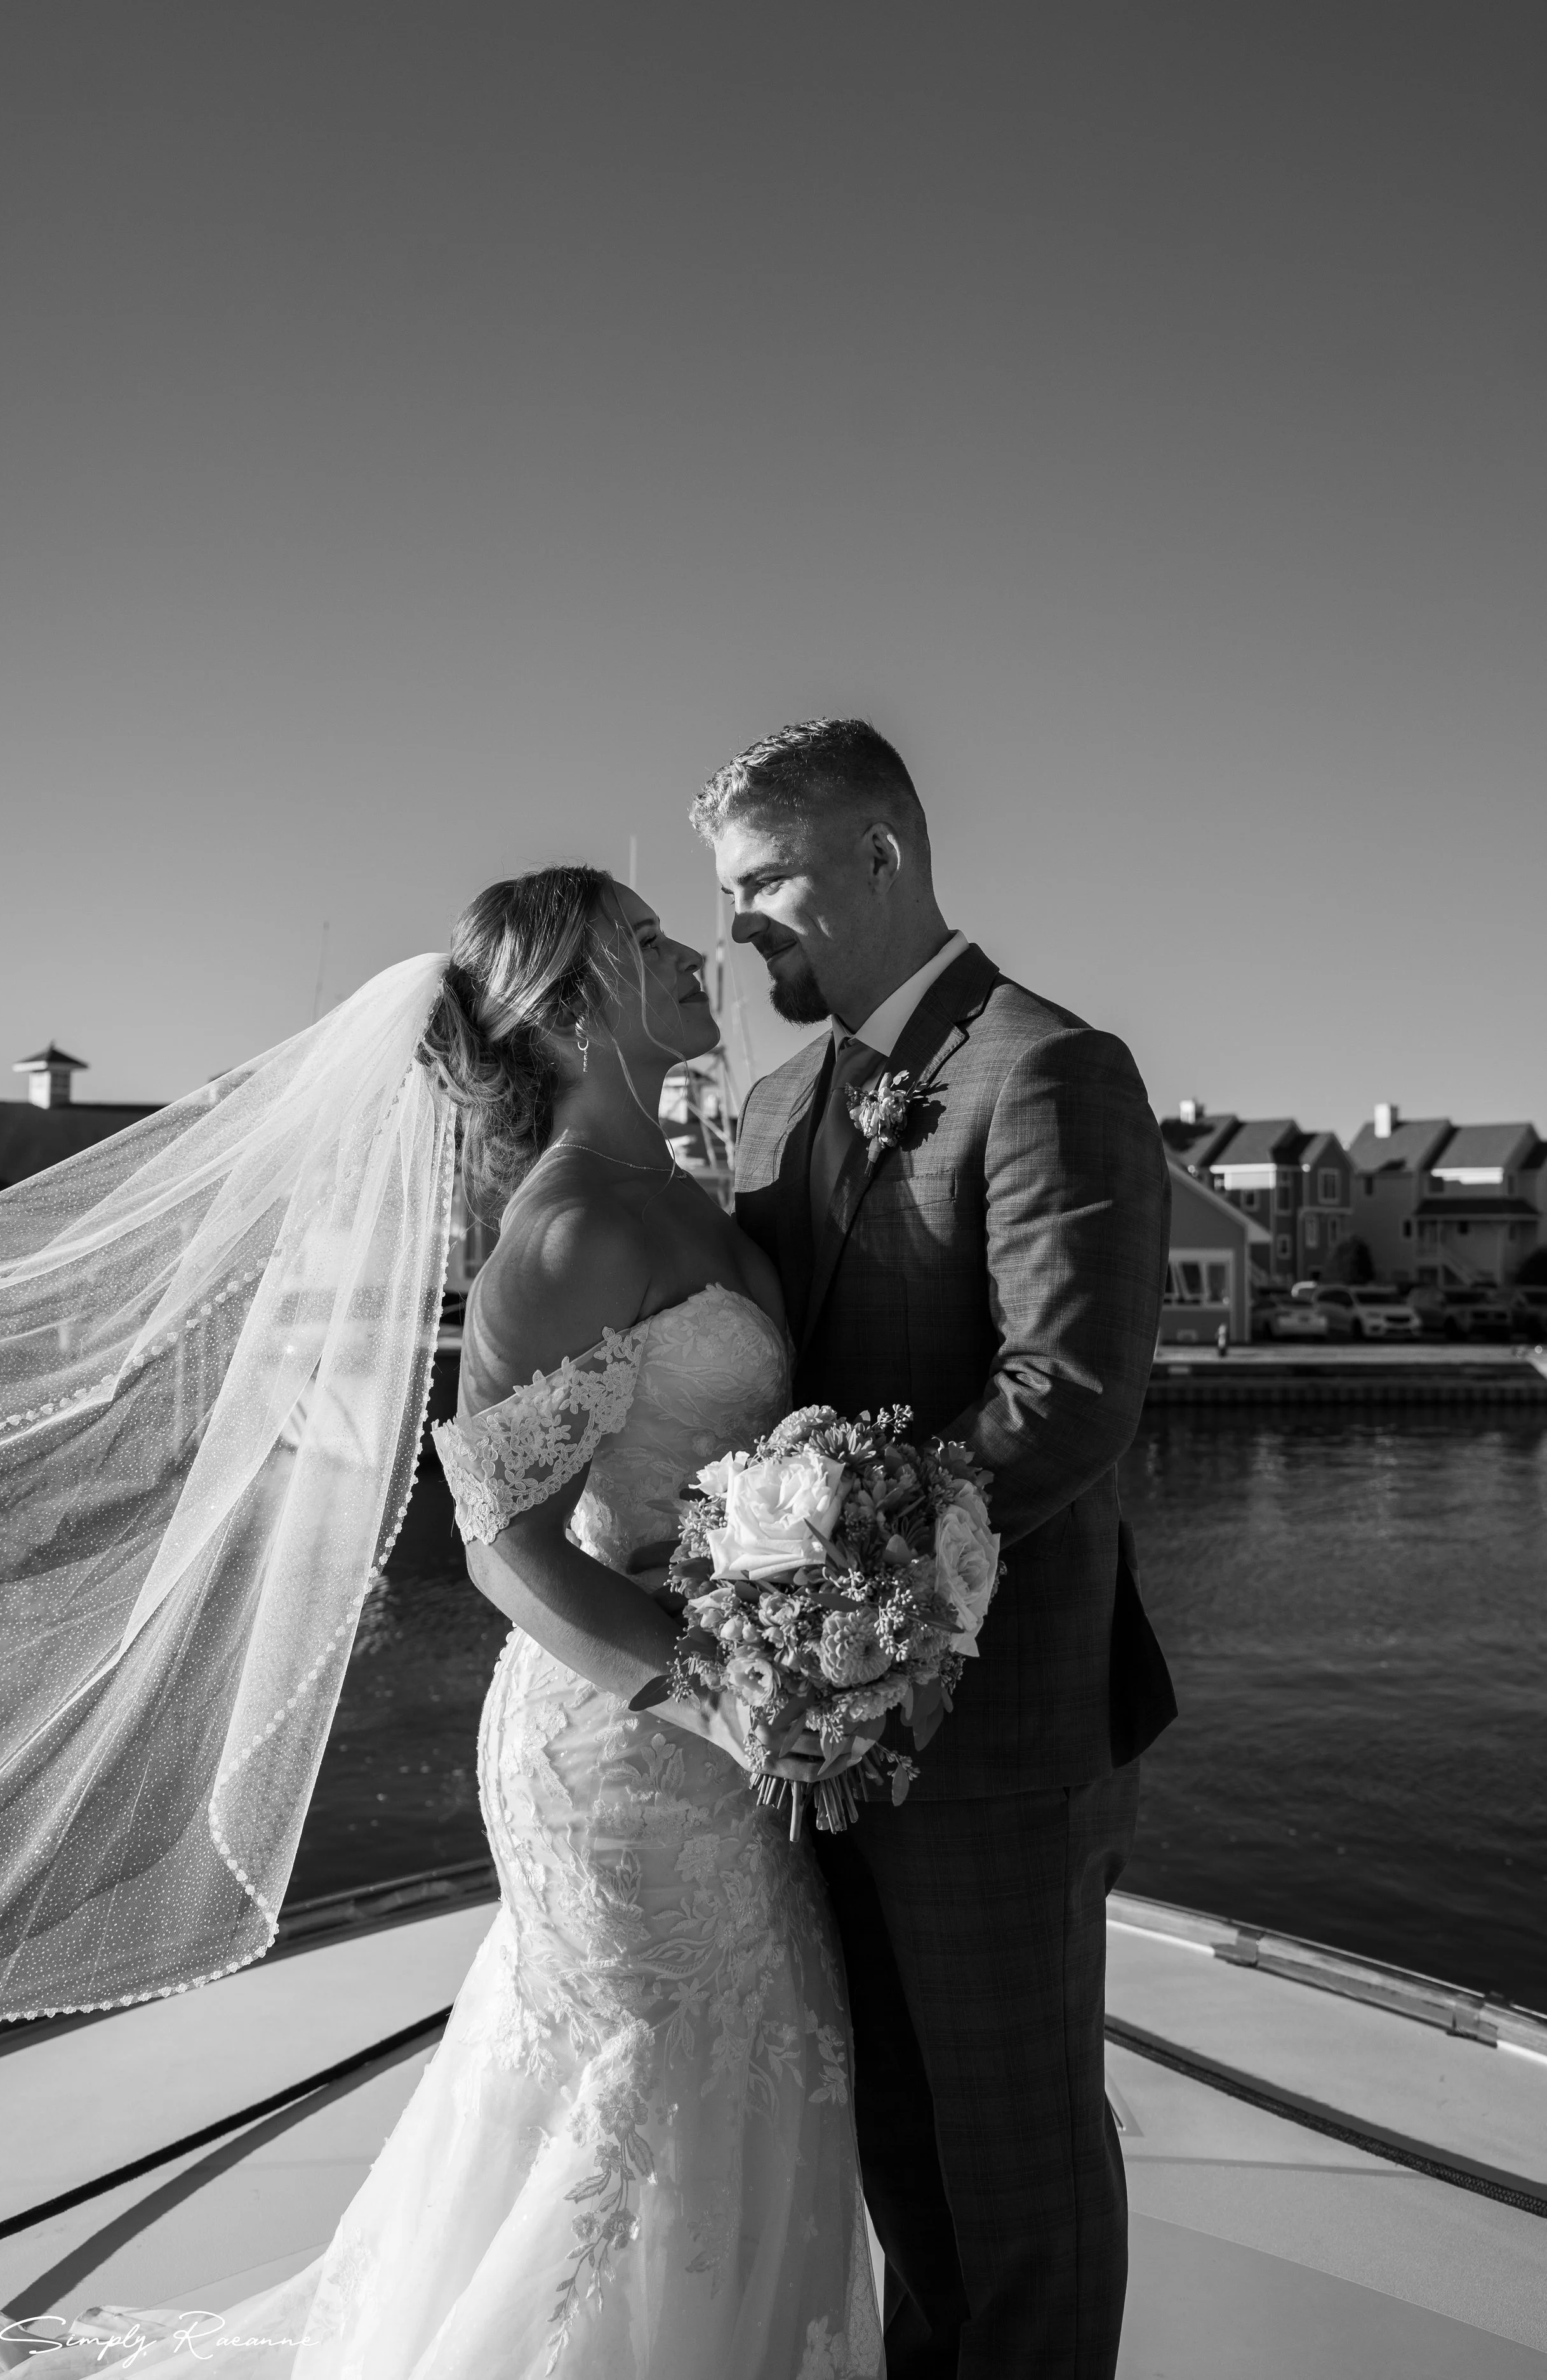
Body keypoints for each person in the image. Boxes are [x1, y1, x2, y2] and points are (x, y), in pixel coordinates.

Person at [0, 866, 882, 2380]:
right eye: (648, 941)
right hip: (627, 1744)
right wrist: (722, 1697)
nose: (688, 957)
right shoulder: (568, 1227)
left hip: (730, 1737)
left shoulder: (686, 1200)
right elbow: (502, 1546)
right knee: (652, 2119)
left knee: (744, 2086)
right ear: (582, 1002)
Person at [701, 719, 1177, 2380]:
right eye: (725, 889)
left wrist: (843, 1569)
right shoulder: (769, 1109)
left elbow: (1066, 1395)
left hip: (1001, 1730)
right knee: (898, 2150)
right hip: (809, 1736)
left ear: (884, 853)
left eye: (765, 875)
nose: (740, 920)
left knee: (1018, 2170)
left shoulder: (1047, 1067)